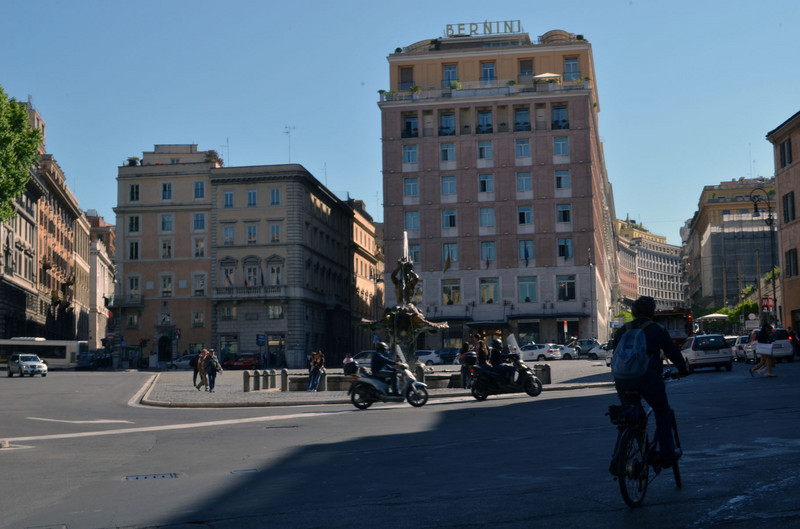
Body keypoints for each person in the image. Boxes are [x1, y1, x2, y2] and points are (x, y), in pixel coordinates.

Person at [609, 296, 689, 473]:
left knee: (629, 416)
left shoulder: (623, 329)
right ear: (653, 313)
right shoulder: (657, 329)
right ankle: (667, 455)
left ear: (633, 312)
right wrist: (683, 369)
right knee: (662, 412)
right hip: (648, 377)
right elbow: (673, 352)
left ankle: (620, 455)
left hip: (622, 378)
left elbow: (617, 352)